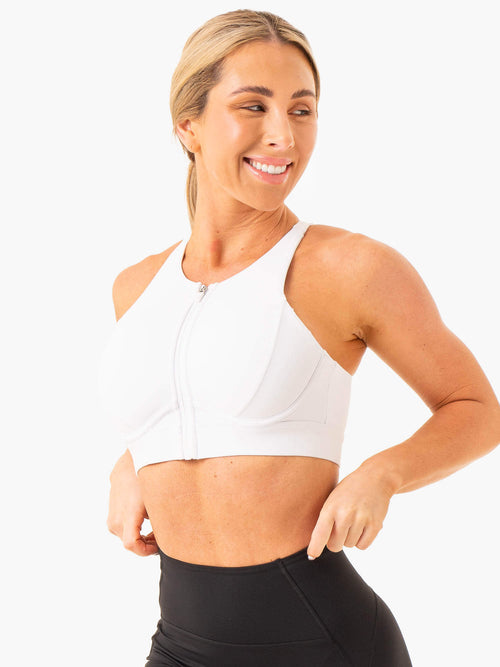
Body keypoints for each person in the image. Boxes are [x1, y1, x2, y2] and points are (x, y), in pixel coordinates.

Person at [98, 9, 500, 667]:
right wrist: (136, 457)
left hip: (322, 642)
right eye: (253, 106)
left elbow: (477, 408)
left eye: (302, 110)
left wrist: (382, 474)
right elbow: (199, 396)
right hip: (180, 644)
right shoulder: (136, 286)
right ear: (188, 125)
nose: (282, 135)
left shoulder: (350, 268)